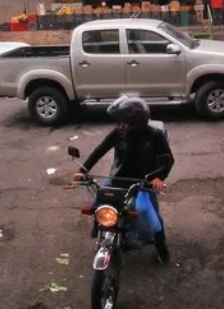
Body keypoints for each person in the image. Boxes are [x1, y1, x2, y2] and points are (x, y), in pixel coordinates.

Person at [74, 96, 175, 264]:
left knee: (150, 214)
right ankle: (99, 227)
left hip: (144, 182)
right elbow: (100, 150)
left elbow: (168, 160)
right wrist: (83, 170)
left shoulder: (154, 135)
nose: (122, 125)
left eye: (126, 122)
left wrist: (159, 178)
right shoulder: (119, 132)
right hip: (119, 177)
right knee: (97, 201)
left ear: (137, 122)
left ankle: (162, 248)